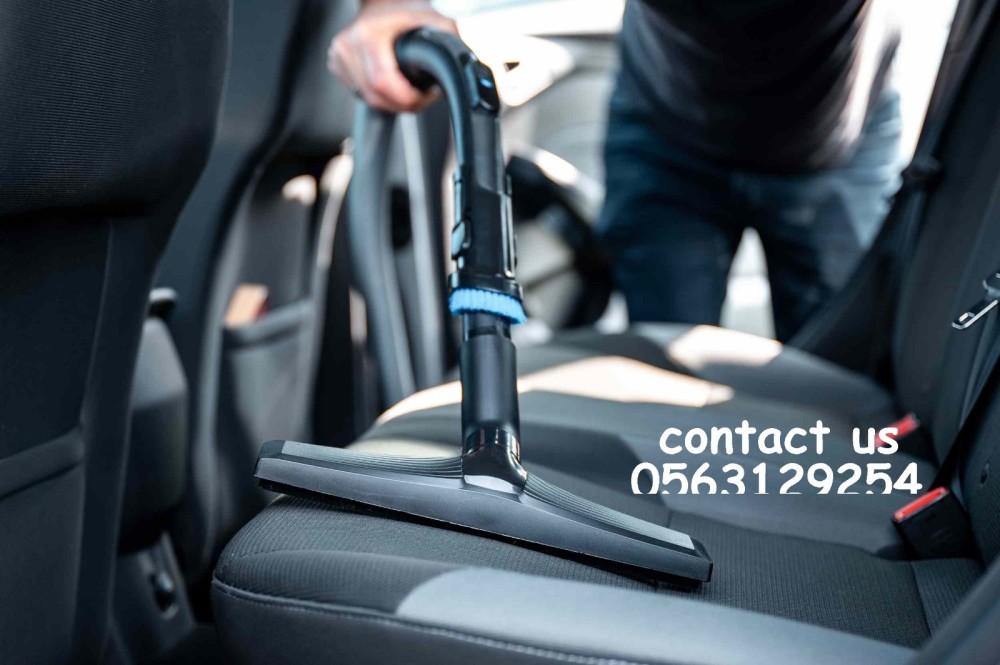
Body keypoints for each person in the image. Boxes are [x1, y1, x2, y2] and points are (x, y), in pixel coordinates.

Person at [329, 0, 902, 342]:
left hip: (835, 137)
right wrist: (388, 5)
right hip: (666, 127)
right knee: (664, 363)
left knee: (837, 376)